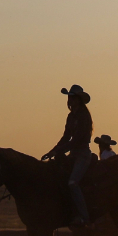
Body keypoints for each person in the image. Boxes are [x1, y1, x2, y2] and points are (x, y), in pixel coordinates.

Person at [41, 84, 95, 224]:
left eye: (72, 97)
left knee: (72, 183)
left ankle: (84, 217)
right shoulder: (71, 116)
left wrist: (58, 151)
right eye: (69, 97)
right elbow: (66, 137)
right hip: (73, 154)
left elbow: (76, 140)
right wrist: (53, 151)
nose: (69, 100)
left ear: (78, 99)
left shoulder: (83, 116)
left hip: (82, 154)